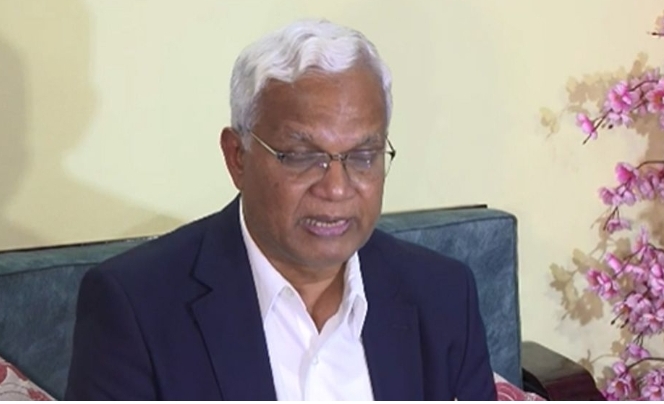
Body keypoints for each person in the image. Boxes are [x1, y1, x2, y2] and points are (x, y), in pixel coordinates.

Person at [65, 19, 496, 401]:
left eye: (363, 156)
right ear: (237, 157)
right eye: (302, 156)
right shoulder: (136, 307)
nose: (336, 188)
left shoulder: (443, 296)